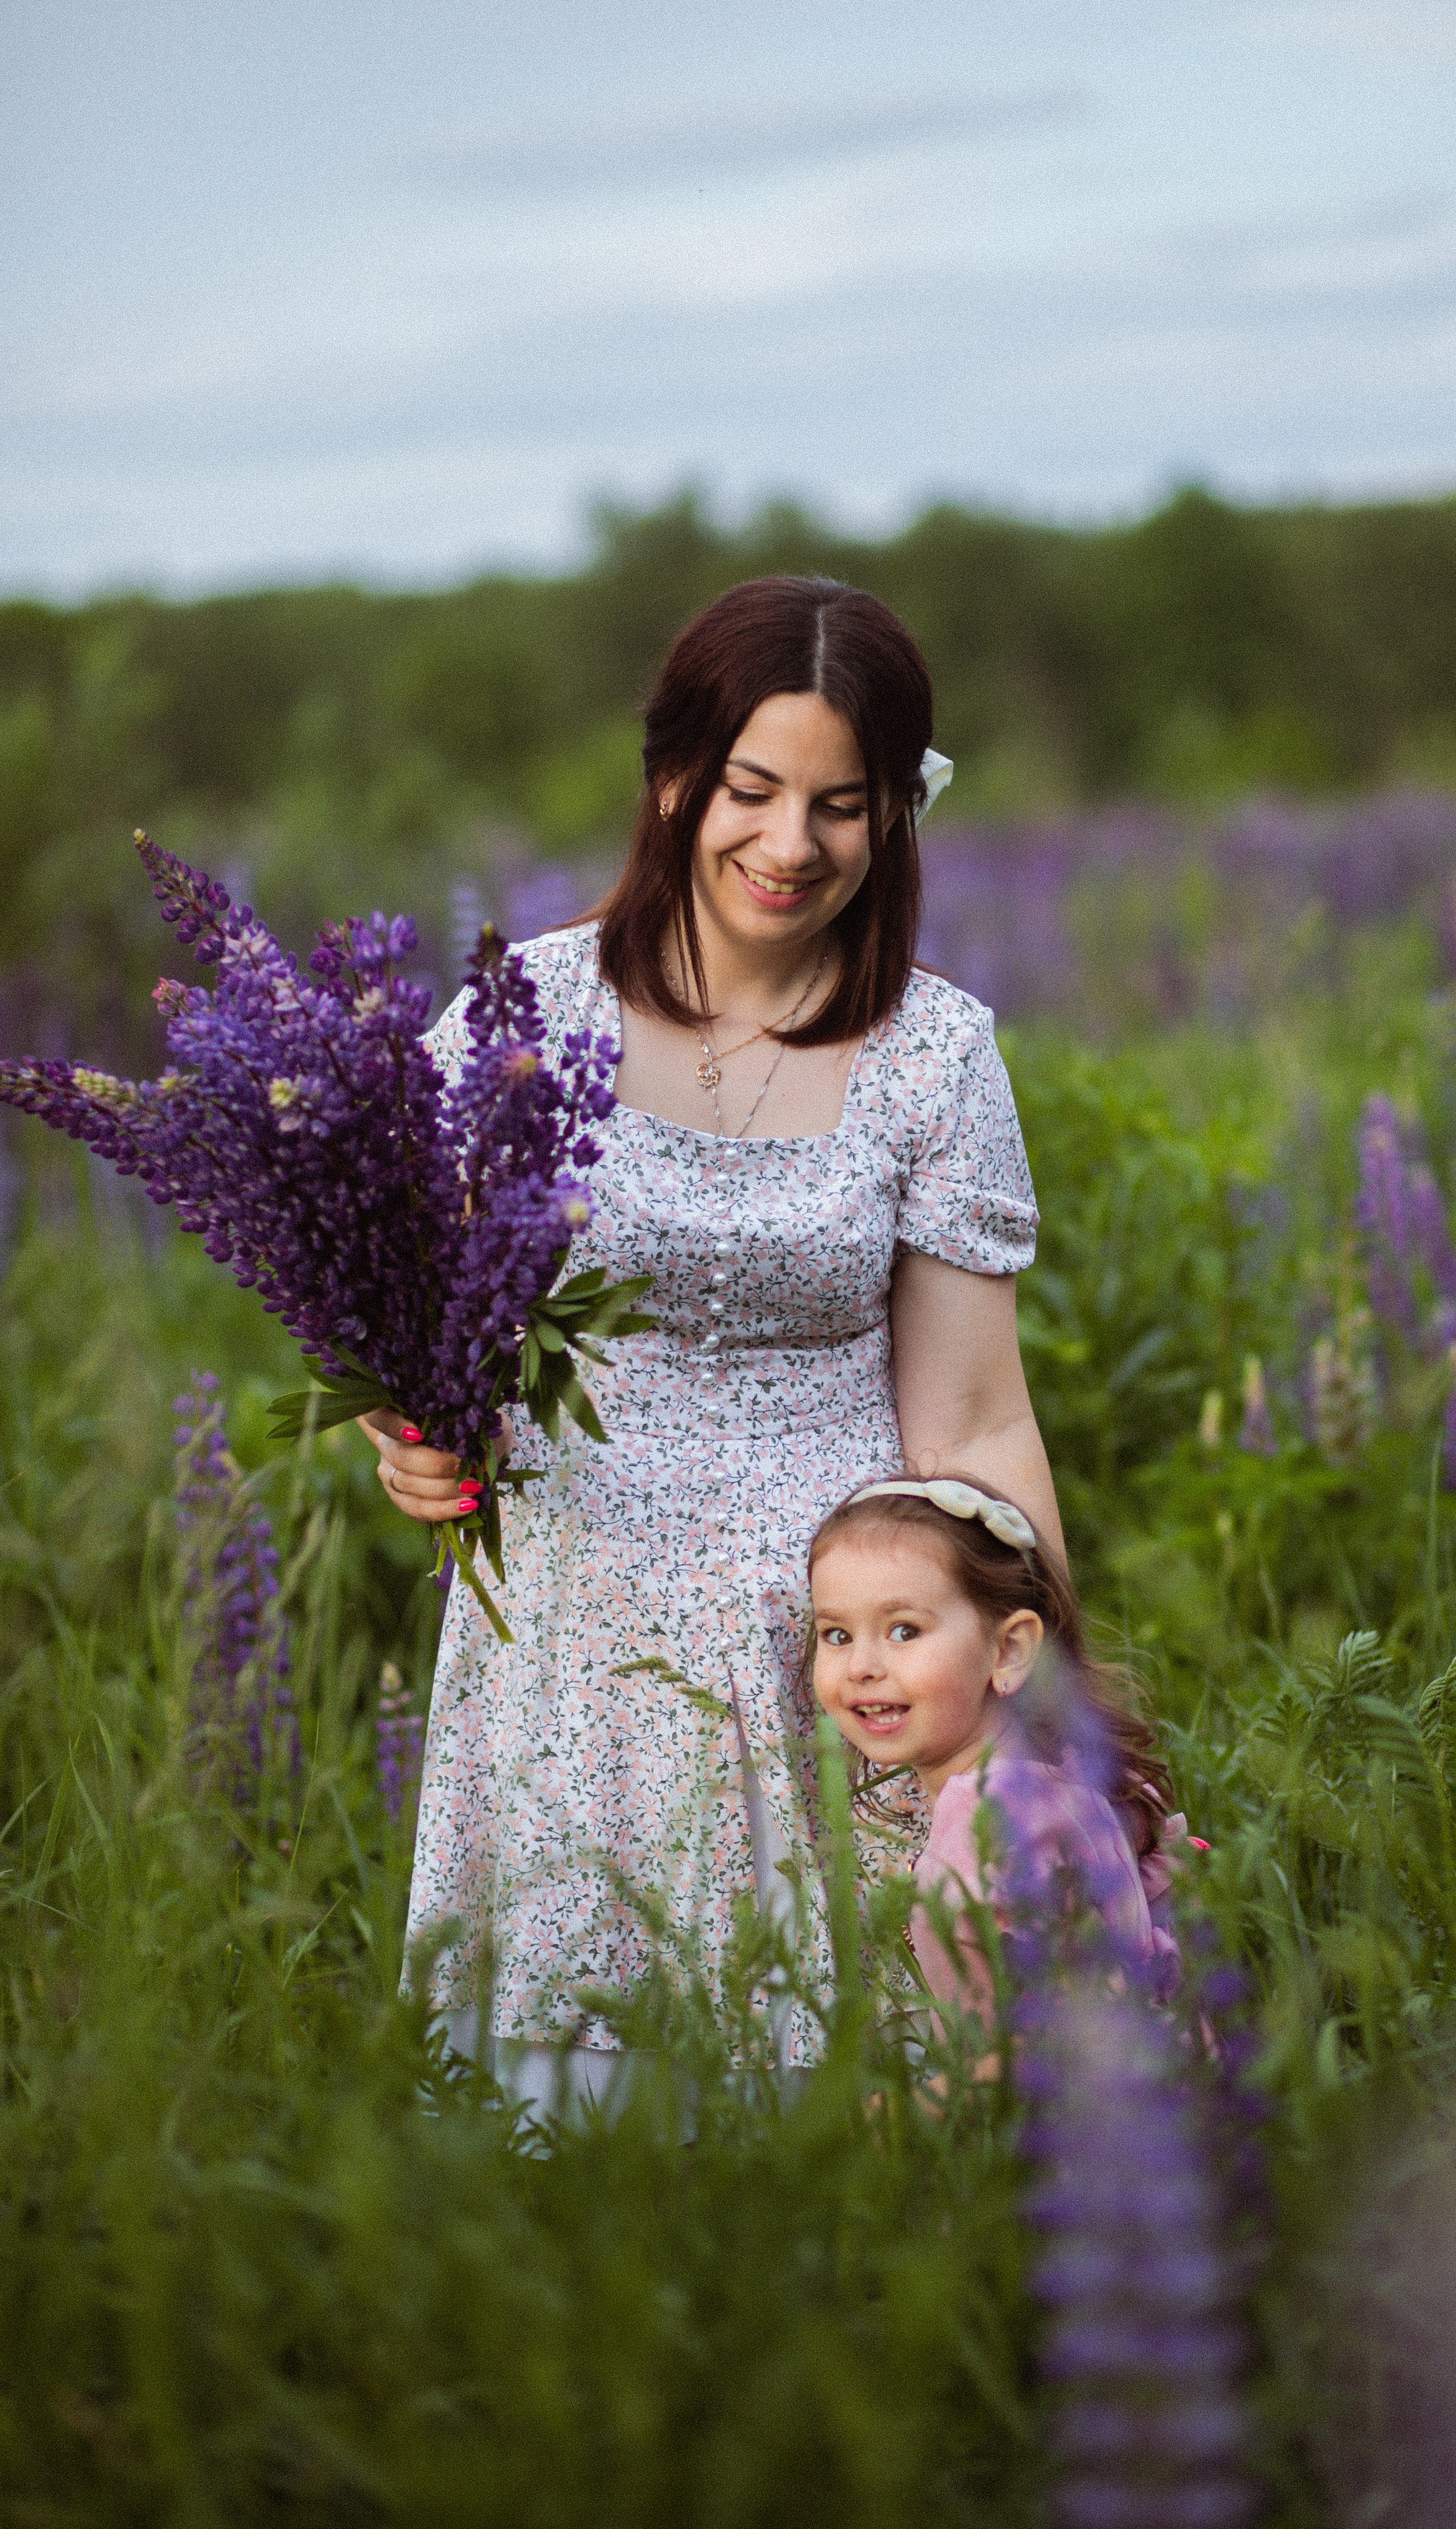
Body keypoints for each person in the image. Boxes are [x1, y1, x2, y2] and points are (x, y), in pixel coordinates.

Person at [357, 576, 1059, 2103]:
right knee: (570, 2150)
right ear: (672, 775)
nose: (788, 844)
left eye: (841, 804)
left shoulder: (932, 1051)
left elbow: (975, 1421)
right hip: (567, 1652)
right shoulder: (520, 1012)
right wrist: (402, 1425)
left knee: (842, 2141)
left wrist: (1046, 1716)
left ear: (894, 817)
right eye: (749, 789)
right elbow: (384, 1289)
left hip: (842, 1656)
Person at [808, 1475, 1186, 2024]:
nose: (862, 1666)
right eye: (836, 1635)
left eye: (904, 1630)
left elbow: (1037, 2047)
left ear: (1008, 1650)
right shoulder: (1070, 1776)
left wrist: (897, 2109)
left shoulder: (988, 1828)